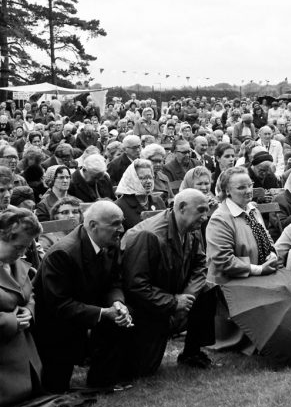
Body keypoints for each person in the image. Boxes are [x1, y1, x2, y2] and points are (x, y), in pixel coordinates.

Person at [33, 201, 132, 392]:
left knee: (121, 317)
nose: (121, 229)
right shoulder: (63, 253)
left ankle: (103, 380)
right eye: (115, 223)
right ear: (93, 225)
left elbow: (114, 282)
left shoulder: (110, 242)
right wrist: (103, 312)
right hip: (55, 326)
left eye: (122, 222)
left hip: (85, 309)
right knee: (54, 388)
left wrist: (117, 304)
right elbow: (59, 305)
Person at [121, 189, 215, 374]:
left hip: (171, 293)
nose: (205, 216)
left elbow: (200, 265)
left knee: (208, 290)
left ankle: (192, 353)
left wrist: (188, 296)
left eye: (207, 211)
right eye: (201, 210)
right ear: (181, 208)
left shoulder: (191, 229)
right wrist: (173, 303)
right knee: (144, 370)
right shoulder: (149, 235)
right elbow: (135, 286)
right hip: (145, 305)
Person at [0, 209, 43, 407]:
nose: (23, 253)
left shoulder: (16, 263)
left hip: (23, 356)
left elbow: (28, 293)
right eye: (18, 247)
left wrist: (29, 310)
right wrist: (11, 321)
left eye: (26, 248)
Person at [114, 159, 166, 230]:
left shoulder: (158, 201)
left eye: (150, 177)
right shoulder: (119, 206)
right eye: (142, 178)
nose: (148, 181)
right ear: (132, 179)